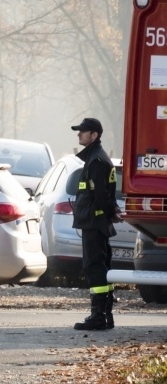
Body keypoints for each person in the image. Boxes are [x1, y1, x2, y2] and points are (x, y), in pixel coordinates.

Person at [70, 117, 121, 330]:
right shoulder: (95, 158)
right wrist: (112, 211)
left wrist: (110, 211)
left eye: (83, 131)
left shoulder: (97, 161)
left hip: (94, 222)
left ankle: (99, 316)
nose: (79, 134)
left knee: (94, 266)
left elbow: (101, 196)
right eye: (79, 131)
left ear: (94, 135)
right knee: (101, 266)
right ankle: (104, 315)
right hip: (96, 221)